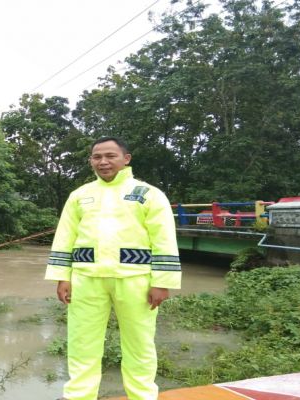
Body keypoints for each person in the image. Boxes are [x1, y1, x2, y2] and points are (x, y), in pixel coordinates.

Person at [45, 137, 181, 400]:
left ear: (126, 158)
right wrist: (62, 277)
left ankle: (142, 396)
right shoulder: (80, 196)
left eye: (110, 156)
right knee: (82, 344)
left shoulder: (148, 194)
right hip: (86, 279)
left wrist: (161, 282)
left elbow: (164, 239)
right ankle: (78, 396)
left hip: (136, 280)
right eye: (97, 157)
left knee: (139, 344)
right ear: (91, 161)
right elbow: (65, 238)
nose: (103, 162)